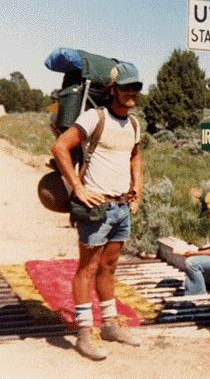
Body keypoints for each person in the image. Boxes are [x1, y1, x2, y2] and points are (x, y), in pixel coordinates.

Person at [52, 62, 144, 361]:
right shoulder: (95, 117)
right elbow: (60, 147)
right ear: (113, 90)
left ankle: (109, 325)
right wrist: (77, 187)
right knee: (87, 269)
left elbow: (135, 157)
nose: (132, 93)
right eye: (127, 87)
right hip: (96, 207)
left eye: (137, 87)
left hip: (121, 207)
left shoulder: (133, 124)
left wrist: (137, 189)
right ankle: (83, 332)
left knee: (109, 267)